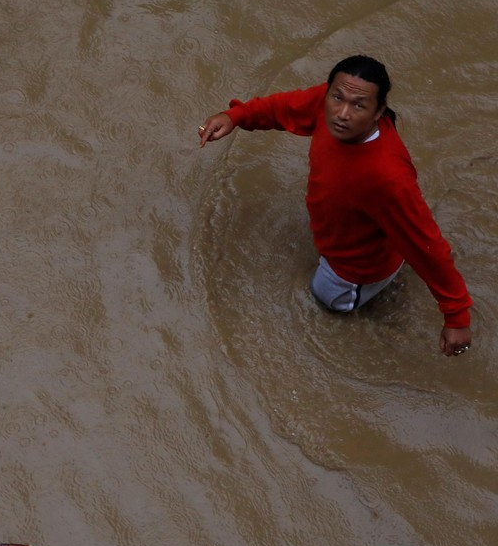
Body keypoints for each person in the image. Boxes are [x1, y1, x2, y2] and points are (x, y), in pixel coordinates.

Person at [197, 55, 473, 357]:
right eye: (337, 98)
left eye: (358, 105)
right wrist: (236, 116)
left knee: (325, 299)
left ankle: (378, 310)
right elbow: (282, 107)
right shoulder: (325, 105)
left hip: (354, 268)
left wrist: (456, 316)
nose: (342, 113)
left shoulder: (388, 178)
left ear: (379, 111)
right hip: (344, 231)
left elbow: (426, 245)